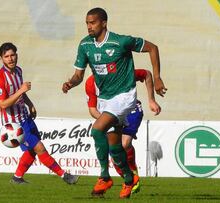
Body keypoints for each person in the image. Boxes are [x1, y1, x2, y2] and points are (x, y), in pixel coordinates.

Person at [62, 8, 167, 198]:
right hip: (105, 99)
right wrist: (71, 83)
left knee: (96, 130)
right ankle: (129, 179)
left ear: (104, 23)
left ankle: (104, 177)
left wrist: (157, 77)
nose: (89, 26)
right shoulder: (85, 45)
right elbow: (79, 75)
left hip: (125, 96)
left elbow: (153, 47)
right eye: (87, 23)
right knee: (115, 146)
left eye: (92, 22)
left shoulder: (120, 41)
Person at [0, 42, 79, 185]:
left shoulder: (18, 71)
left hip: (25, 117)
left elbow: (21, 94)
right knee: (39, 147)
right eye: (6, 56)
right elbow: (2, 104)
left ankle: (17, 178)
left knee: (32, 150)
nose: (10, 59)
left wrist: (29, 104)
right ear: (1, 59)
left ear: (16, 55)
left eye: (12, 55)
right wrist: (22, 90)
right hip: (14, 124)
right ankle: (65, 176)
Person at [85, 68, 162, 194]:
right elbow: (93, 110)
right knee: (114, 149)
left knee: (124, 144)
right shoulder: (90, 83)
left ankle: (131, 174)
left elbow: (146, 74)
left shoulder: (119, 71)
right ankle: (129, 179)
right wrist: (106, 121)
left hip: (131, 110)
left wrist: (151, 100)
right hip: (110, 115)